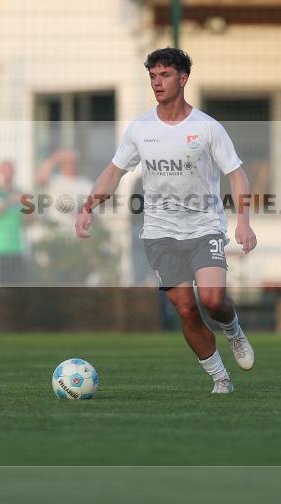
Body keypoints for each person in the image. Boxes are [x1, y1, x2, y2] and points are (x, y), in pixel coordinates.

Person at [74, 47, 257, 394]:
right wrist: (88, 207)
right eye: (153, 76)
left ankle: (233, 331)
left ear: (183, 79)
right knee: (185, 308)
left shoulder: (206, 128)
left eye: (165, 75)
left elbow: (237, 173)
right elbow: (114, 172)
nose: (157, 83)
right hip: (160, 232)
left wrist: (243, 222)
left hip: (204, 227)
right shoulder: (140, 129)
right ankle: (220, 378)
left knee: (213, 300)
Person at [35, 148, 93, 230]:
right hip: (54, 230)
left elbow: (93, 209)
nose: (70, 166)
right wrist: (55, 158)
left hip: (76, 230)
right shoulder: (54, 180)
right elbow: (39, 178)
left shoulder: (86, 184)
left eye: (72, 163)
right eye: (66, 162)